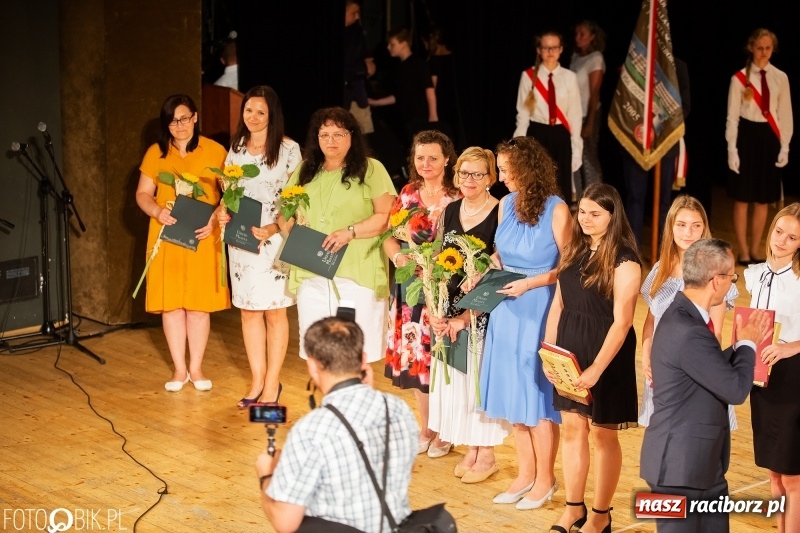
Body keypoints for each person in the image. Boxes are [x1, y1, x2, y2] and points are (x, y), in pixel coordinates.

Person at [641, 239, 771, 533]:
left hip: (702, 463)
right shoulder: (688, 330)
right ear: (716, 281)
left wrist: (738, 347)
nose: (731, 285)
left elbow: (705, 366)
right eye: (731, 278)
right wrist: (748, 343)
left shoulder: (684, 316)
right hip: (679, 468)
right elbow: (736, 390)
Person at [255, 317, 418, 533]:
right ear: (363, 360)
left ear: (312, 367)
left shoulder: (311, 431)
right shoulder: (399, 409)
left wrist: (266, 476)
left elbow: (285, 523)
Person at [480, 136, 571, 509]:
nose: (502, 177)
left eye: (506, 169)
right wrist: (492, 265)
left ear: (528, 169)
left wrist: (531, 283)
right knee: (512, 393)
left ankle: (545, 481)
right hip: (506, 307)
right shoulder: (504, 205)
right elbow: (502, 252)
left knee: (536, 398)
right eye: (500, 170)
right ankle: (525, 473)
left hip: (538, 307)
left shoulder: (558, 209)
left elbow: (568, 265)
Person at [544, 183, 641, 533]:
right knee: (571, 428)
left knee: (602, 434)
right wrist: (549, 352)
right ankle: (573, 508)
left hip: (606, 353)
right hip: (570, 346)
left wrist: (598, 368)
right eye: (582, 212)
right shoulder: (572, 250)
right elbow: (559, 303)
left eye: (594, 213)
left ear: (612, 216)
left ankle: (601, 515)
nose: (585, 219)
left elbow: (623, 321)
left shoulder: (625, 259)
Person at [280, 107, 396, 364]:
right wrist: (292, 228)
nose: (330, 141)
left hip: (357, 273)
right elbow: (284, 214)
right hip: (312, 273)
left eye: (338, 134)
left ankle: (357, 404)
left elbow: (385, 218)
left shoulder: (371, 168)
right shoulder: (304, 170)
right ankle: (328, 404)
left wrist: (350, 232)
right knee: (318, 354)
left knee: (356, 353)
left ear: (352, 135)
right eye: (324, 135)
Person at [135, 94, 229, 391]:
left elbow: (229, 194)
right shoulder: (156, 153)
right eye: (173, 120)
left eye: (185, 118)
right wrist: (156, 210)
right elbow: (142, 194)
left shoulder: (215, 151)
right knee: (172, 305)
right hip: (167, 235)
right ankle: (179, 370)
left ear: (196, 118)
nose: (179, 125)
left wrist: (216, 217)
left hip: (202, 234)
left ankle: (197, 369)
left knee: (199, 307)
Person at [428, 147, 509, 483]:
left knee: (479, 378)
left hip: (483, 308)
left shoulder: (500, 210)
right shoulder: (449, 209)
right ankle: (473, 448)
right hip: (450, 307)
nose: (470, 180)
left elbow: (502, 259)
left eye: (478, 174)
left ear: (491, 177)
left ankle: (487, 453)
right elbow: (434, 259)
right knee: (459, 380)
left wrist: (481, 277)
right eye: (464, 173)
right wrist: (434, 308)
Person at [216, 86, 300, 408]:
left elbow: (294, 201)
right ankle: (256, 380)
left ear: (272, 115)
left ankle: (272, 384)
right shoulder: (236, 147)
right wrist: (222, 210)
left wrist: (274, 227)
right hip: (242, 239)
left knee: (275, 312)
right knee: (249, 312)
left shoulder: (290, 150)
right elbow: (228, 190)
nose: (253, 117)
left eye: (260, 112)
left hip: (274, 236)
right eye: (248, 111)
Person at [383, 130, 460, 458]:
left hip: (444, 290)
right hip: (412, 290)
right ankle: (426, 425)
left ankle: (446, 429)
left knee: (442, 363)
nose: (426, 163)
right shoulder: (408, 193)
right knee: (417, 362)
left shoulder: (458, 195)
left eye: (433, 157)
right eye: (420, 158)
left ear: (446, 159)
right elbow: (389, 236)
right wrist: (398, 256)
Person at [638, 195, 739, 428]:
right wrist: (646, 358)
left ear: (704, 229)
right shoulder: (660, 268)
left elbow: (715, 335)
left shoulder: (716, 273)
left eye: (696, 226)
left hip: (693, 371)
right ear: (671, 227)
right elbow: (650, 321)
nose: (688, 233)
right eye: (681, 225)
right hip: (660, 369)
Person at [744, 204, 800, 533]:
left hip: (793, 378)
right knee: (774, 472)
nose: (781, 240)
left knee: (792, 475)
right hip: (762, 377)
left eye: (792, 237)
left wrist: (790, 347)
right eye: (779, 232)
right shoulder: (754, 274)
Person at [726, 28, 793, 266]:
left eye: (768, 48)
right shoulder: (739, 79)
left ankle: (755, 250)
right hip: (746, 136)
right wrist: (732, 149)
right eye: (759, 48)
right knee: (743, 198)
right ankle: (743, 251)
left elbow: (785, 114)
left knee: (763, 199)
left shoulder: (780, 77)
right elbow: (732, 117)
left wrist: (785, 145)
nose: (764, 53)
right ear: (751, 48)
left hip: (768, 138)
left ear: (773, 49)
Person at [623, 57, 690, 249]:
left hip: (665, 140)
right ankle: (633, 249)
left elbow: (685, 105)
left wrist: (658, 125)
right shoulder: (636, 62)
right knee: (635, 196)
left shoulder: (679, 66)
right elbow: (625, 103)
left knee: (664, 200)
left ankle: (664, 250)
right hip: (638, 138)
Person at [513, 31, 582, 201]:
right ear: (539, 50)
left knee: (560, 186)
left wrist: (577, 148)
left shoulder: (570, 77)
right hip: (537, 134)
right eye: (545, 48)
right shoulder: (528, 76)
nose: (550, 52)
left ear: (561, 49)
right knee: (536, 183)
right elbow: (522, 114)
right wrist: (518, 144)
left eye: (554, 47)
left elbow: (575, 115)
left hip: (561, 135)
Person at [368, 28, 438, 141]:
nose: (388, 47)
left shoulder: (419, 64)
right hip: (406, 120)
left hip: (420, 118)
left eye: (392, 44)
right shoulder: (399, 68)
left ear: (404, 44)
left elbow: (429, 90)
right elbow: (398, 96)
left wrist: (433, 115)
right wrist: (375, 102)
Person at [569, 20, 606, 199]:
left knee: (588, 159)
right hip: (572, 115)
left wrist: (590, 121)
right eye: (576, 34)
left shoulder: (596, 58)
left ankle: (596, 200)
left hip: (587, 114)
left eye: (582, 34)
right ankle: (577, 199)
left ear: (592, 37)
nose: (578, 38)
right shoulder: (575, 57)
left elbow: (594, 94)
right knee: (574, 158)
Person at [344, 0, 375, 135]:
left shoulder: (358, 31)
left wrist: (368, 63)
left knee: (365, 132)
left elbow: (365, 54)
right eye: (353, 13)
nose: (357, 17)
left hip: (357, 90)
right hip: (343, 92)